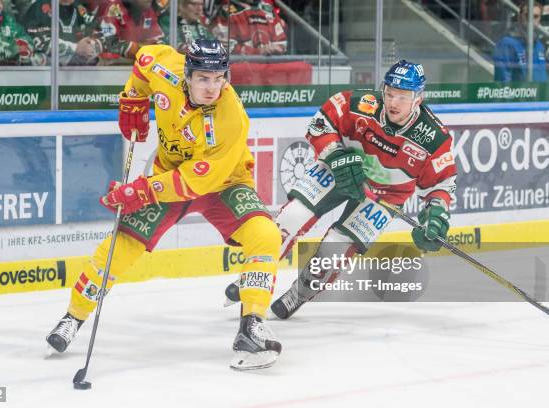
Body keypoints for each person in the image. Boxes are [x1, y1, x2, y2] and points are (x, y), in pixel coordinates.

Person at [45, 39, 283, 370]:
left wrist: (140, 191)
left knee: (266, 235)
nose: (213, 87)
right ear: (186, 74)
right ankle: (73, 317)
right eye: (203, 78)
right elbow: (143, 61)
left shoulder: (232, 118)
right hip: (169, 176)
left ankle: (251, 324)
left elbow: (196, 181)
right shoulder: (165, 70)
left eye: (219, 78)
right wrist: (132, 99)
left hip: (223, 183)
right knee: (121, 244)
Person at [224, 60, 457, 319]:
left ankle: (300, 293)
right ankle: (256, 275)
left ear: (419, 98)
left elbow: (442, 184)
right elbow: (321, 122)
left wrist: (435, 215)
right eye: (390, 93)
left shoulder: (434, 136)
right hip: (339, 169)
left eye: (403, 97)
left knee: (335, 246)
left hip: (386, 195)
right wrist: (335, 156)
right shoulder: (362, 104)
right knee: (292, 216)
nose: (393, 102)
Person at [23, 0, 103, 66]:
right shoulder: (39, 7)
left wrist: (93, 46)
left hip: (77, 75)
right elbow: (39, 43)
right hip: (46, 76)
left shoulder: (80, 8)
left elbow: (98, 30)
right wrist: (75, 48)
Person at [93, 0, 165, 61]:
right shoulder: (114, 7)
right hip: (111, 66)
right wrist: (141, 48)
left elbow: (158, 39)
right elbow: (109, 43)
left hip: (139, 63)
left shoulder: (148, 10)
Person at [494, 1, 547, 82]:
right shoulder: (507, 43)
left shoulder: (539, 45)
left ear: (539, 19)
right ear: (519, 17)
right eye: (527, 15)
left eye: (535, 16)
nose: (531, 20)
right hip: (520, 93)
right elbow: (503, 79)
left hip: (540, 93)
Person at [211, 0, 287, 55]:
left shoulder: (268, 8)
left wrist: (277, 48)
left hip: (270, 70)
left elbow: (282, 42)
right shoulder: (225, 10)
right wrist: (258, 52)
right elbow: (225, 46)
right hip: (240, 71)